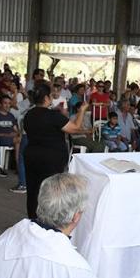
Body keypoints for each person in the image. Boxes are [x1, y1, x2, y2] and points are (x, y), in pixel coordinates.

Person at [23, 82, 89, 220]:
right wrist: (82, 110)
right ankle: (48, 218)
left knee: (33, 188)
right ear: (46, 98)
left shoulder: (29, 114)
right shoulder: (52, 115)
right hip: (50, 157)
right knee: (50, 190)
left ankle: (33, 218)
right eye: (51, 96)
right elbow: (75, 128)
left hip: (32, 154)